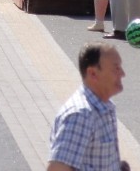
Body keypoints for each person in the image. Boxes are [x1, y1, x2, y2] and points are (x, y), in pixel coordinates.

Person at [48, 43, 126, 171]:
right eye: (116, 68)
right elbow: (57, 168)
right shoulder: (80, 116)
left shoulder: (104, 108)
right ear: (93, 73)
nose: (122, 73)